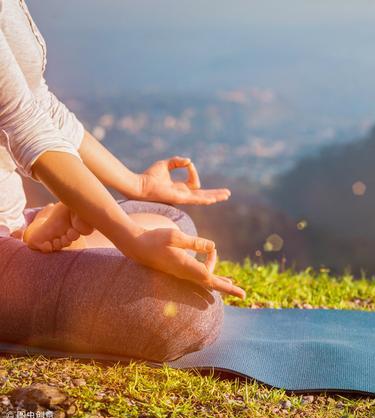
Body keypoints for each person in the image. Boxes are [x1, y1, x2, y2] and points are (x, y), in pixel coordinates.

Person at [0, 0, 244, 361]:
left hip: (11, 219)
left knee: (170, 222)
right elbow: (23, 125)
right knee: (186, 313)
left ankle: (32, 243)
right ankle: (34, 249)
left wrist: (137, 186)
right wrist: (130, 239)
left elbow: (38, 104)